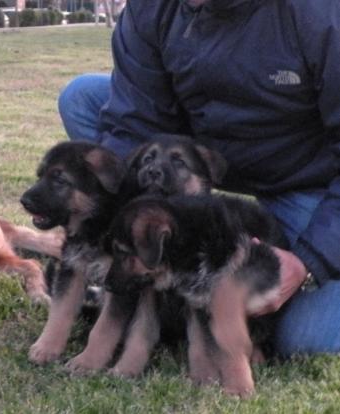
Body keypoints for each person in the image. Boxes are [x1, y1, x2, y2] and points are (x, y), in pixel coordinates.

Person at [57, 0, 340, 356]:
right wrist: (114, 224)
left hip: (306, 177)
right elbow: (134, 124)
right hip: (200, 154)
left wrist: (310, 262)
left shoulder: (321, 14)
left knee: (307, 338)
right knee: (81, 98)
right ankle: (165, 256)